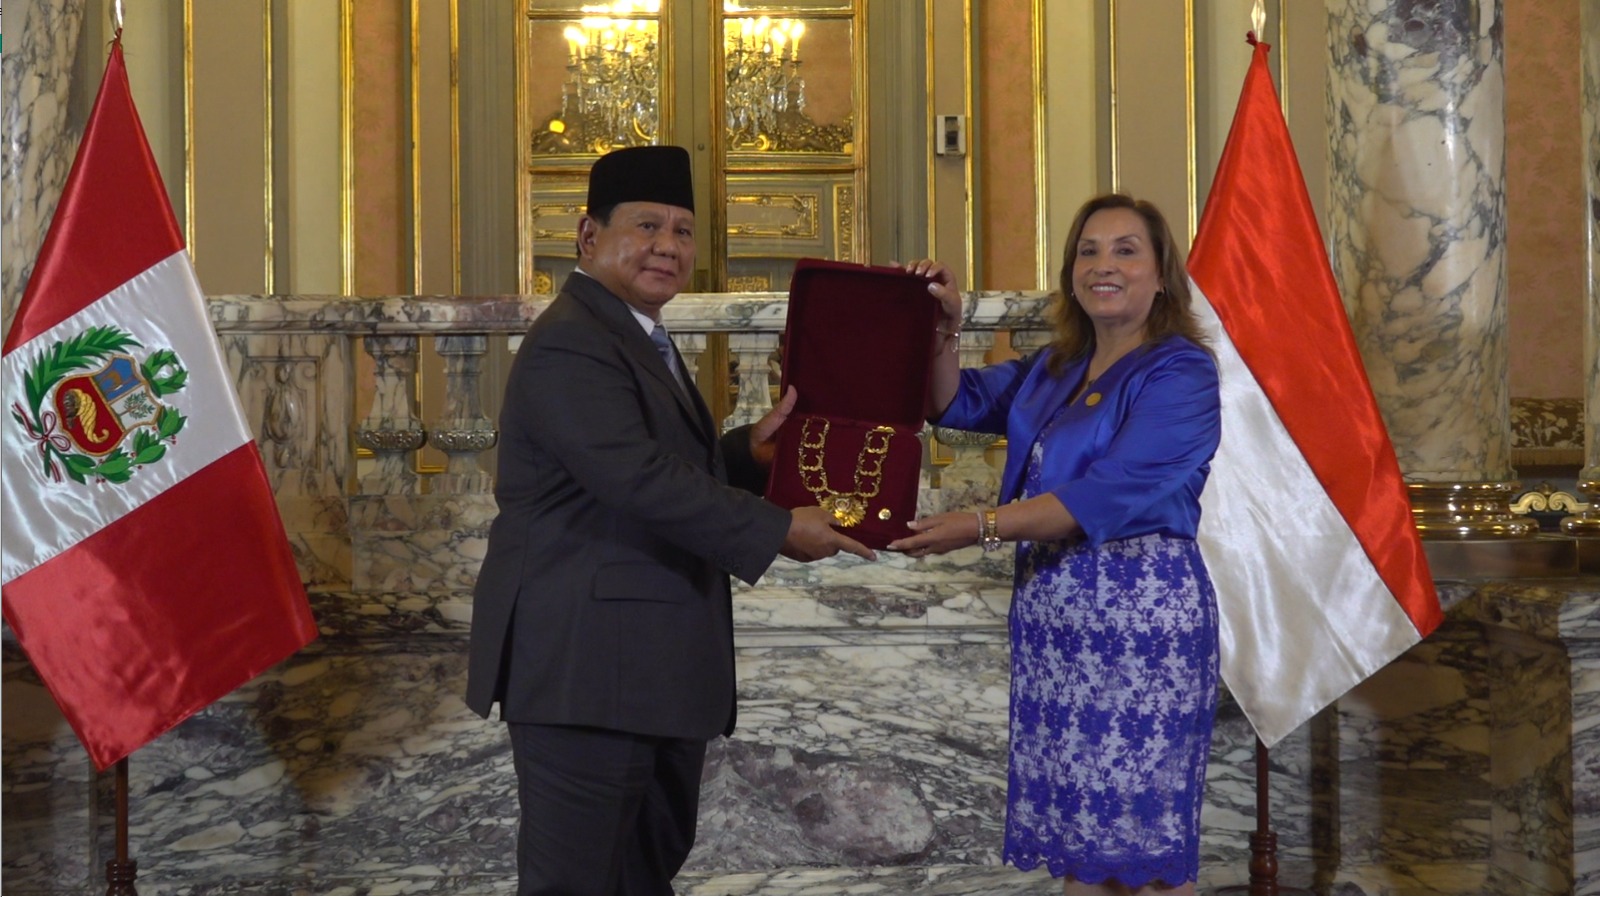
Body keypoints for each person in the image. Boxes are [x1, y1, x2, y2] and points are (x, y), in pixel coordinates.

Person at [466, 144, 873, 896]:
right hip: (588, 677)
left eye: (683, 231)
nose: (668, 247)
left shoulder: (634, 333)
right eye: (647, 225)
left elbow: (647, 469)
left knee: (637, 878)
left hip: (644, 676)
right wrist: (778, 528)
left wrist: (749, 451)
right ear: (589, 237)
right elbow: (637, 479)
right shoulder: (571, 340)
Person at [889, 194, 1222, 896]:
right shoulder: (1054, 367)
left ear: (1161, 274)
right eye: (1088, 251)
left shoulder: (1181, 372)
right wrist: (945, 326)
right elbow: (955, 404)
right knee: (1086, 849)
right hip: (1059, 633)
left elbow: (1109, 492)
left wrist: (979, 525)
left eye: (1126, 250)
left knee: (1142, 853)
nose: (1104, 264)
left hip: (1140, 633)